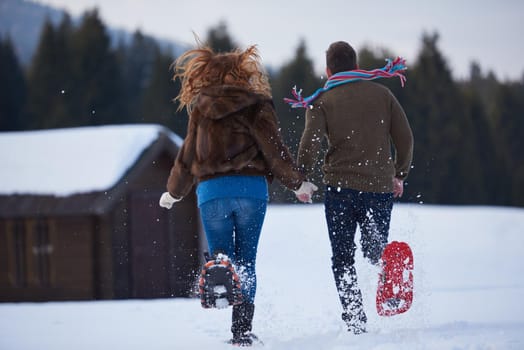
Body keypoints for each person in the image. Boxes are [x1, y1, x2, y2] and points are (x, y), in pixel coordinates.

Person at [158, 44, 317, 346]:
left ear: (206, 74)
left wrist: (174, 192)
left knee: (224, 257)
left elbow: (187, 154)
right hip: (251, 191)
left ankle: (219, 271)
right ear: (244, 72)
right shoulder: (257, 104)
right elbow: (274, 150)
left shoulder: (201, 108)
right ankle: (242, 331)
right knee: (247, 260)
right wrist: (298, 184)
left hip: (212, 192)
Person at [294, 41, 414, 334]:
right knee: (374, 249)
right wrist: (399, 174)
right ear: (357, 66)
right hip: (379, 187)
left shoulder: (322, 100)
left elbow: (309, 142)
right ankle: (384, 260)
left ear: (328, 69)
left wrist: (303, 180)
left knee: (342, 257)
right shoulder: (382, 94)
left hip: (339, 189)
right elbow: (405, 137)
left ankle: (355, 317)